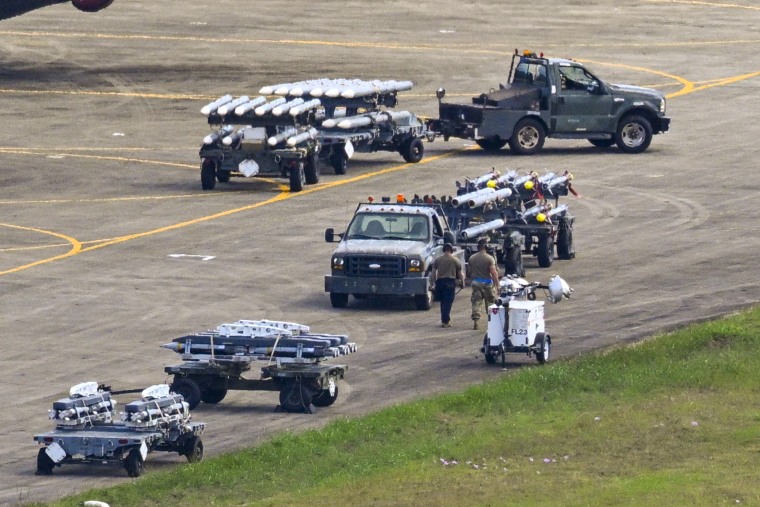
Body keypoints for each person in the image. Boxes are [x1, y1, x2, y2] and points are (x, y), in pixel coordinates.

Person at [468, 237, 500, 330]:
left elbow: (469, 272)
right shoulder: (490, 258)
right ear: (486, 246)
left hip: (476, 282)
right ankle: (492, 322)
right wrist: (497, 285)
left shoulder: (472, 258)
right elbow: (494, 273)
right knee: (490, 303)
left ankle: (476, 322)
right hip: (487, 283)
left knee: (476, 302)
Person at [431, 243, 464, 328]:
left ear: (443, 250)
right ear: (451, 250)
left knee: (442, 301)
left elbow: (434, 272)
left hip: (440, 282)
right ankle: (445, 321)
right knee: (448, 302)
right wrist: (462, 283)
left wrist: (435, 282)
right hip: (450, 282)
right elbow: (460, 273)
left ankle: (444, 320)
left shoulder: (438, 260)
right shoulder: (455, 260)